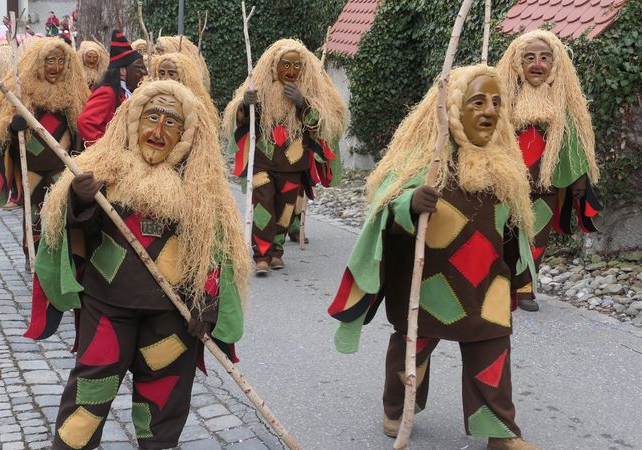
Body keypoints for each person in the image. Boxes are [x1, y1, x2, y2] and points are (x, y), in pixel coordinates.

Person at [26, 80, 249, 450]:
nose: (158, 132)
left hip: (172, 314)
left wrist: (206, 305)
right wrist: (80, 201)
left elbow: (215, 251)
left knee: (163, 400)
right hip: (108, 307)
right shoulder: (103, 170)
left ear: (186, 134)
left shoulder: (201, 186)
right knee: (91, 388)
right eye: (151, 118)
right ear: (133, 122)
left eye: (171, 123)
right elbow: (75, 234)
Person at [327, 65, 539, 450]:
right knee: (413, 352)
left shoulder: (507, 169)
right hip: (428, 285)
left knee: (492, 353)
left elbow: (515, 232)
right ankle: (397, 409)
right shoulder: (424, 162)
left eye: (496, 103)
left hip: (488, 285)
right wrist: (410, 202)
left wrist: (521, 281)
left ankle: (500, 432)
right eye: (478, 102)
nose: (490, 111)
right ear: (453, 109)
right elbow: (384, 210)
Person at [496, 30, 602, 312]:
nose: (537, 64)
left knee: (536, 236)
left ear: (554, 64)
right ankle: (499, 284)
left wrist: (579, 178)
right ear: (518, 62)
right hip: (507, 185)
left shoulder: (562, 103)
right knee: (503, 233)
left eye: (544, 58)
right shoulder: (502, 99)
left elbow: (574, 142)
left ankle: (525, 288)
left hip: (545, 186)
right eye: (529, 57)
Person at [222, 38, 345, 275]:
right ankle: (261, 256)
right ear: (274, 66)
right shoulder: (261, 89)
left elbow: (320, 125)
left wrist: (302, 102)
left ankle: (277, 252)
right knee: (263, 206)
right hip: (262, 162)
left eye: (296, 66)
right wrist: (245, 104)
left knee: (285, 209)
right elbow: (242, 122)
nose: (291, 71)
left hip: (293, 165)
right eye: (286, 65)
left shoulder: (310, 93)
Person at [0, 38, 89, 270]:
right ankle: (31, 250)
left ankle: (59, 253)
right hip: (33, 166)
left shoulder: (73, 95)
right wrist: (14, 127)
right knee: (34, 212)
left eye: (61, 61)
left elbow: (80, 128)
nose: (56, 67)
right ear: (39, 64)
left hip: (61, 166)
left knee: (60, 211)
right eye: (50, 61)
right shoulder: (23, 92)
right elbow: (6, 134)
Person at [77, 30, 146, 145]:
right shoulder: (108, 92)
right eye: (139, 68)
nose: (145, 72)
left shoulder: (127, 91)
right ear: (123, 71)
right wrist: (104, 147)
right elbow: (85, 122)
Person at [149, 52, 218, 129]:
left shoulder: (197, 106)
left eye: (171, 74)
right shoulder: (149, 97)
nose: (165, 78)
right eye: (162, 73)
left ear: (182, 77)